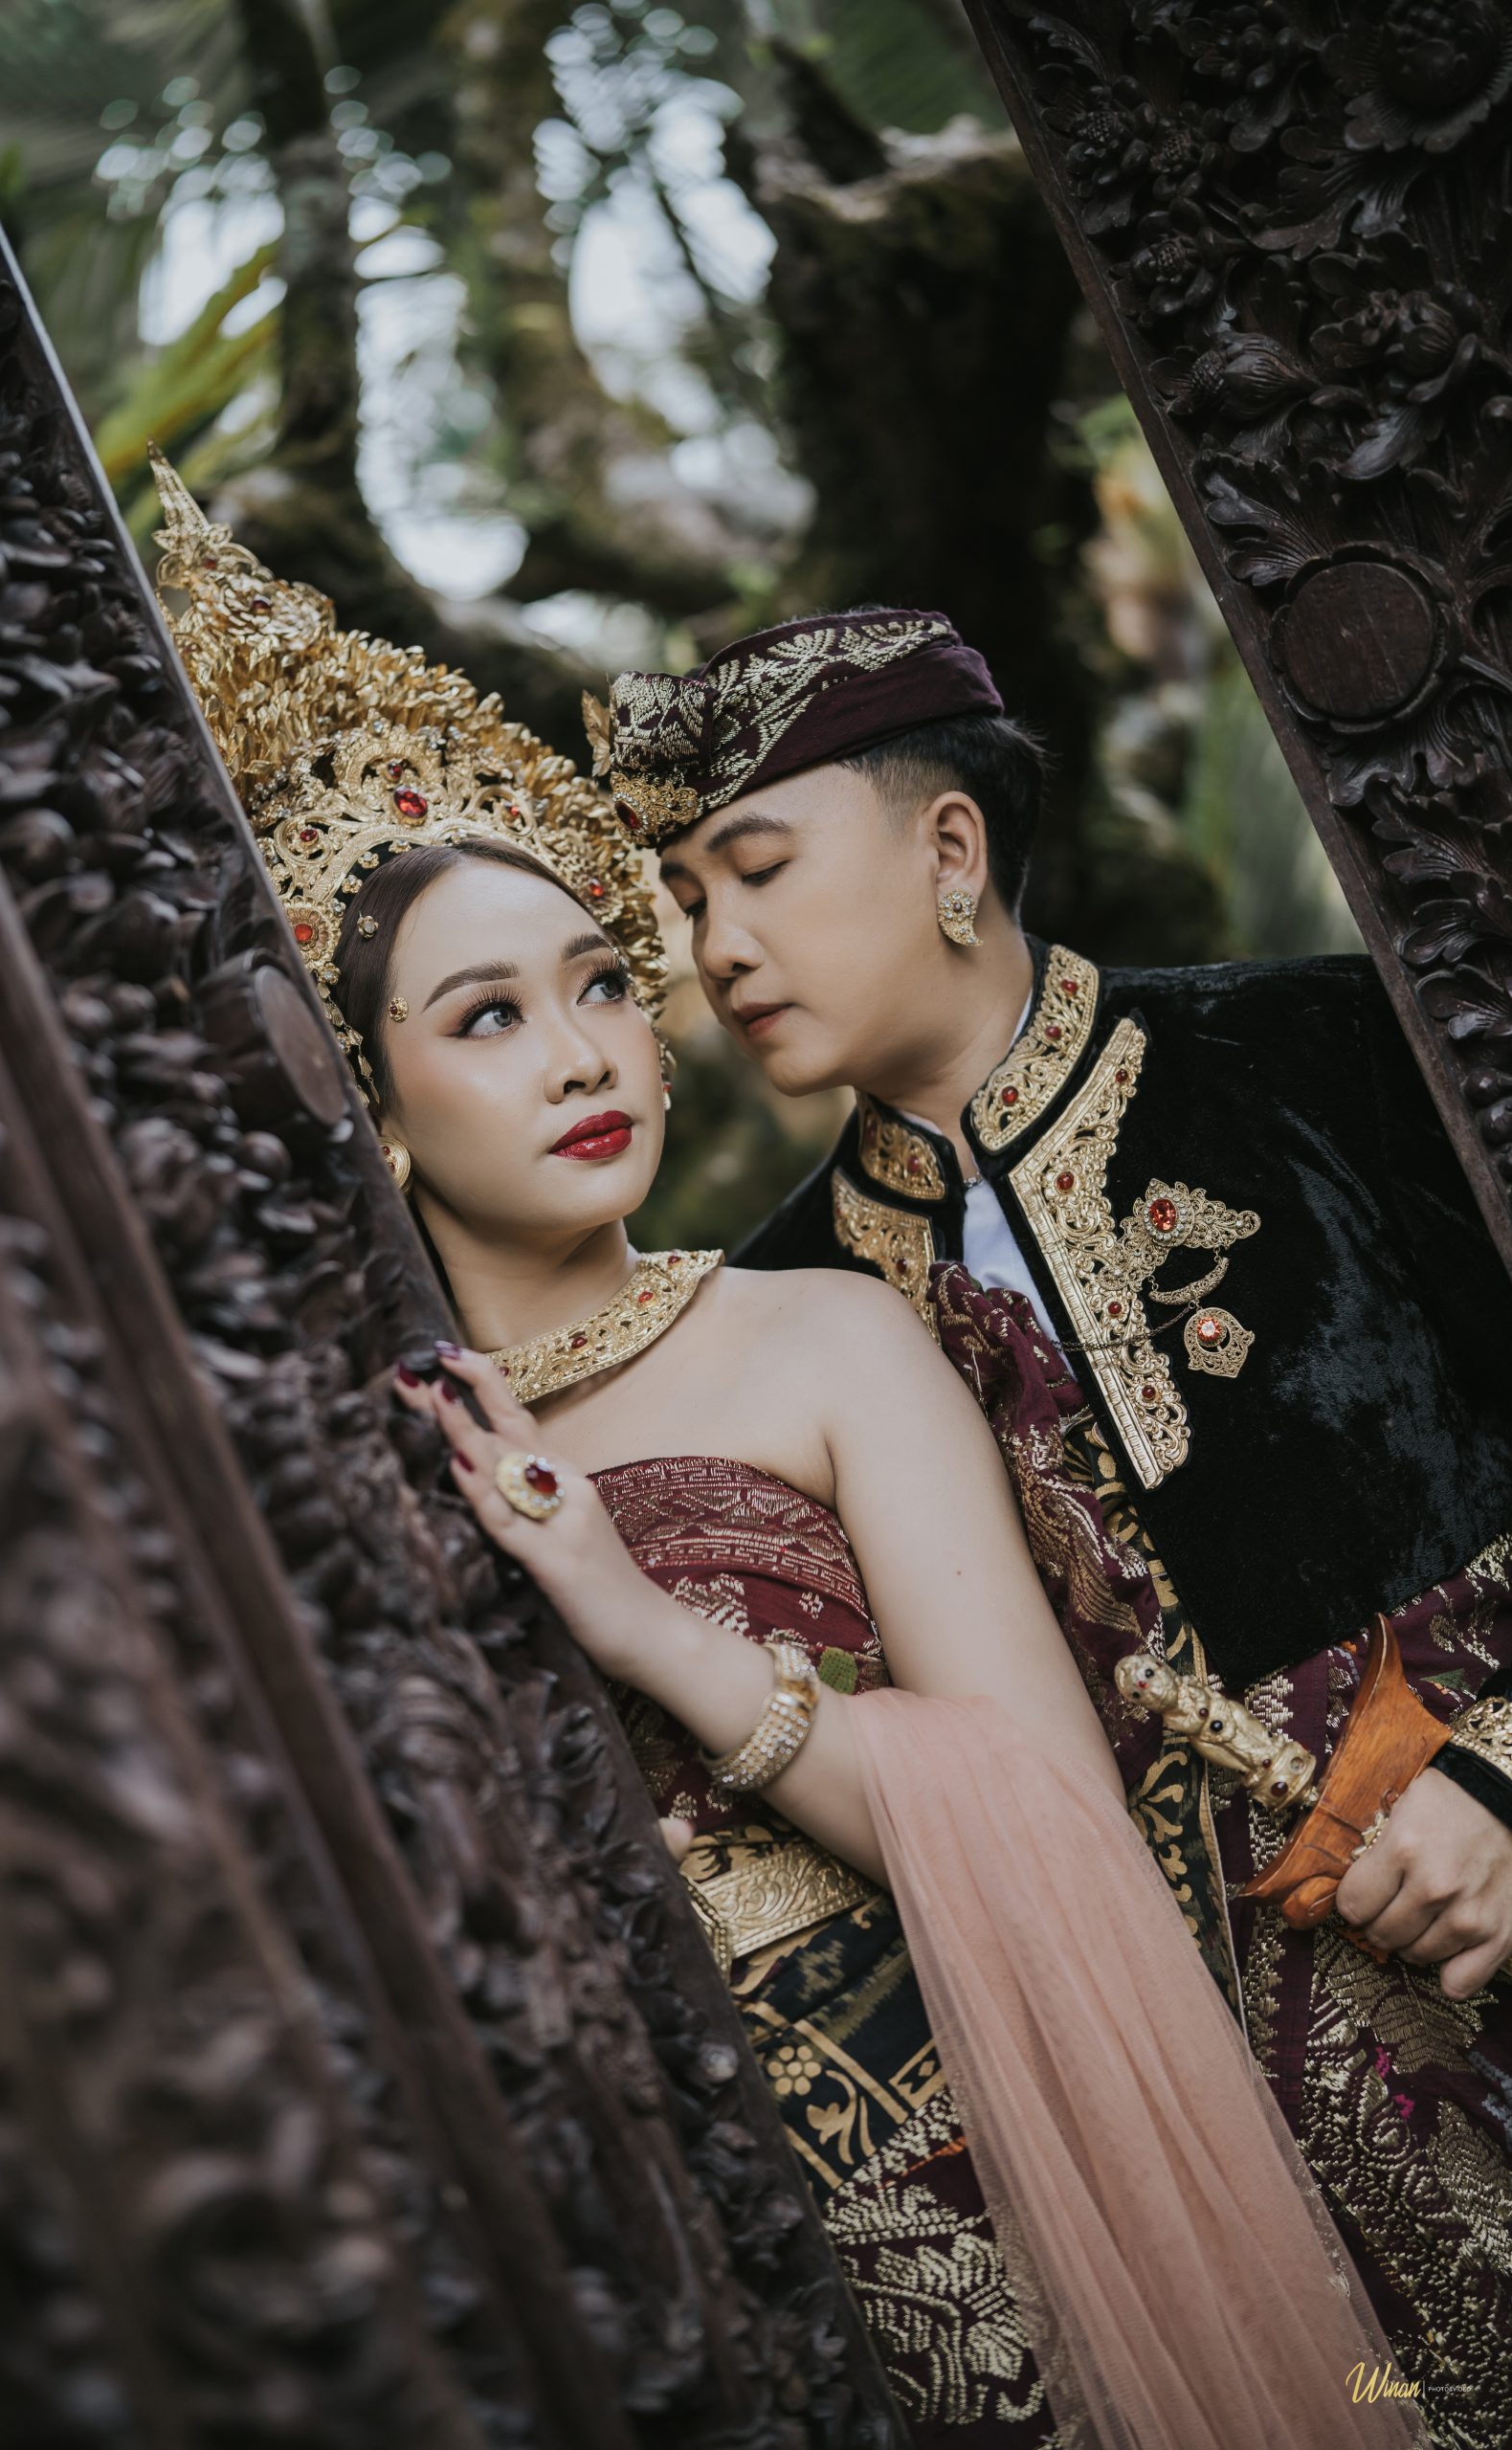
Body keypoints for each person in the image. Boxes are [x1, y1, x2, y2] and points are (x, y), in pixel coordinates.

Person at [149, 455, 1418, 2450]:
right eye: (490, 1016)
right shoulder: (357, 1452)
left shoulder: (831, 1320)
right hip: (638, 2260)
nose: (601, 1040)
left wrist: (650, 1634)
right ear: (361, 1094)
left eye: (606, 977)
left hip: (1047, 2158)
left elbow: (1047, 1796)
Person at [594, 605, 1512, 2438]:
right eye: (685, 902)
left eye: (758, 870)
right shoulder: (777, 1316)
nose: (718, 947)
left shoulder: (1333, 1047)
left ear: (951, 847)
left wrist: (1501, 1769)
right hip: (1202, 2142)